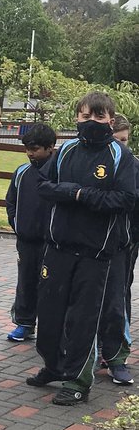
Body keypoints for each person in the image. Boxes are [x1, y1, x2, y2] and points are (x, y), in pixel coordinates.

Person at [29, 91, 137, 405]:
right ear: (77, 117)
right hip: (58, 247)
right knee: (48, 315)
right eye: (86, 115)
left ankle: (78, 382)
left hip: (96, 253)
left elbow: (126, 199)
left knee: (82, 321)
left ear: (111, 120)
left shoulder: (121, 156)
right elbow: (44, 186)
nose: (91, 122)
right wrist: (74, 192)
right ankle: (54, 366)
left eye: (99, 117)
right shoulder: (65, 150)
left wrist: (79, 195)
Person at [4, 123, 56, 343]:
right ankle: (24, 323)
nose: (30, 153)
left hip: (52, 241)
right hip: (26, 240)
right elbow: (11, 201)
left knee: (50, 284)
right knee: (26, 281)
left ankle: (51, 327)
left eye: (35, 149)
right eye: (27, 149)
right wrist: (17, 224)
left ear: (50, 147)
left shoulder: (59, 171)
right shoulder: (22, 172)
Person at [95, 113, 136, 385]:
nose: (124, 146)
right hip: (93, 245)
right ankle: (89, 353)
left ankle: (116, 357)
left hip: (123, 245)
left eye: (126, 141)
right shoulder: (95, 165)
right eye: (119, 140)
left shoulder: (131, 166)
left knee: (116, 302)